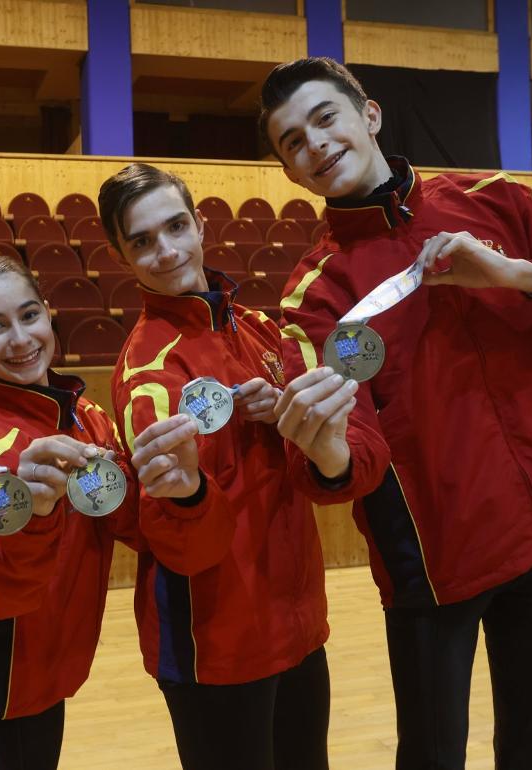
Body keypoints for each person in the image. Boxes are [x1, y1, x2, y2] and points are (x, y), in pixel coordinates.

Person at [259, 57, 532, 769]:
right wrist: (328, 452)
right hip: (432, 563)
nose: (315, 144)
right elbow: (351, 455)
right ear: (293, 173)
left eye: (325, 118)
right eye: (292, 142)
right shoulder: (314, 294)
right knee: (429, 756)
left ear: (369, 115)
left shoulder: (496, 202)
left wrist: (524, 276)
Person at [102, 162, 342, 770]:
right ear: (121, 255)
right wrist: (183, 495)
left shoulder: (254, 329)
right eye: (142, 241)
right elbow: (168, 535)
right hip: (216, 643)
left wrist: (279, 412)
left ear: (200, 223)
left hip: (295, 619)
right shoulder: (147, 373)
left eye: (176, 226)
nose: (167, 250)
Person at [0, 255, 144, 770]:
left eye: (29, 315)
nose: (20, 339)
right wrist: (30, 513)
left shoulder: (88, 417)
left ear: (48, 313)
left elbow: (133, 525)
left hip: (46, 680)